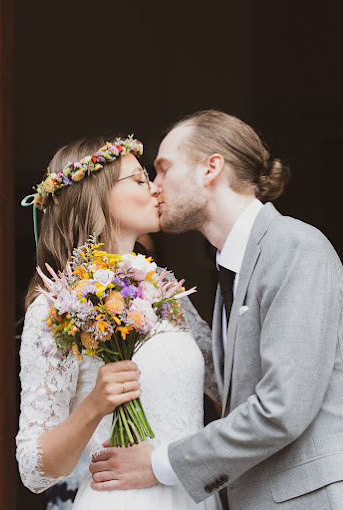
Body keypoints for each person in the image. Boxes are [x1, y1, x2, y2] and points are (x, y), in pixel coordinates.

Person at [90, 111, 343, 509]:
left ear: (211, 169)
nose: (154, 187)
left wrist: (158, 465)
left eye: (162, 169)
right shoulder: (233, 268)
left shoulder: (295, 247)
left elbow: (281, 409)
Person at [16, 136, 223, 510]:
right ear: (96, 195)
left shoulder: (165, 289)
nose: (156, 188)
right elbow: (34, 471)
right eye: (140, 179)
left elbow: (226, 385)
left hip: (193, 498)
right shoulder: (54, 307)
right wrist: (94, 404)